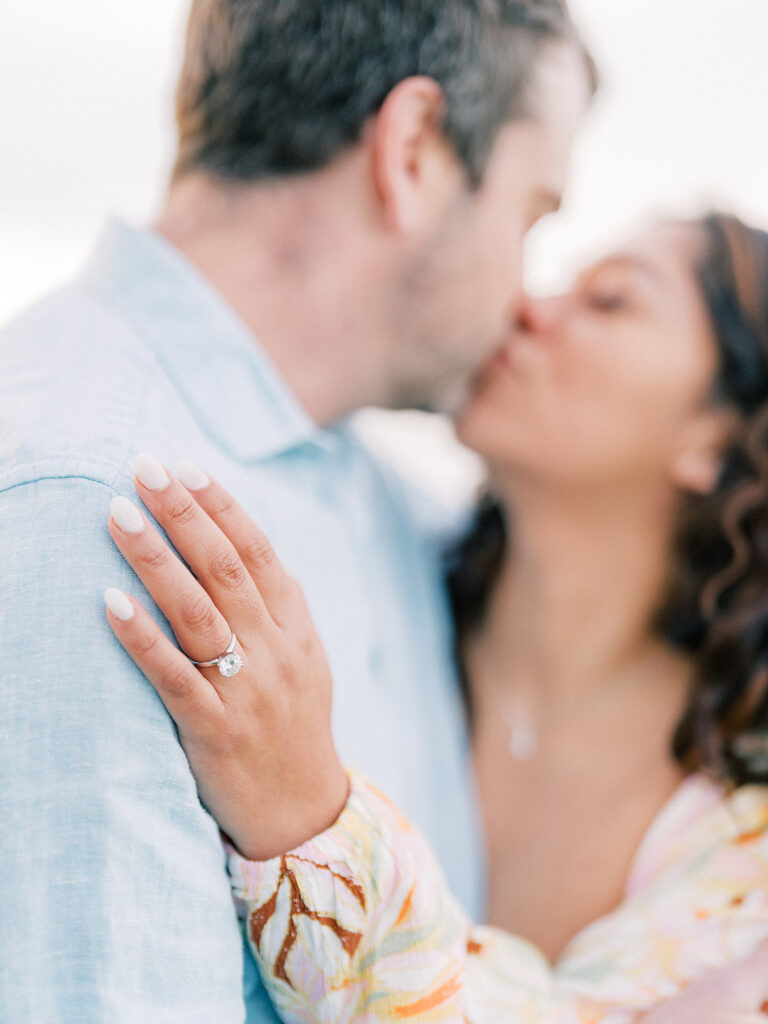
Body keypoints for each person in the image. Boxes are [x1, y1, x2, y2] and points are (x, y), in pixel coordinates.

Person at [0, 2, 596, 1021]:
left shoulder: (390, 508)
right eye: (533, 212)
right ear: (409, 151)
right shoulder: (96, 510)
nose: (528, 294)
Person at [104, 213, 768, 1022]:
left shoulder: (746, 812)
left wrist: (307, 821)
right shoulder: (371, 578)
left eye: (611, 302)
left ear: (716, 432)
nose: (527, 305)